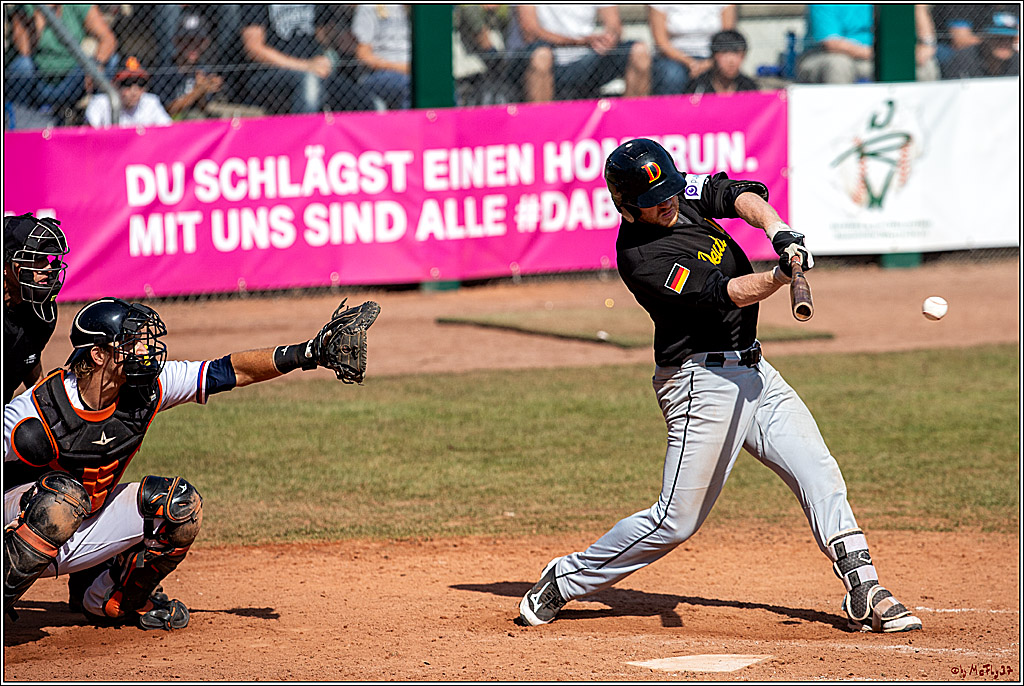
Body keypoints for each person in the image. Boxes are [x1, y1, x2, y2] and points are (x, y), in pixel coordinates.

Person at [518, 138, 923, 635]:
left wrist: (778, 230)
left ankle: (865, 587)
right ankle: (565, 578)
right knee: (675, 521)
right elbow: (725, 293)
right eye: (653, 201)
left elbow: (731, 195)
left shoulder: (674, 193)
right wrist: (779, 276)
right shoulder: (642, 258)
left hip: (754, 370)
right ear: (626, 206)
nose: (668, 203)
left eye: (670, 192)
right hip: (700, 383)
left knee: (818, 470)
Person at [4, 297, 380, 629]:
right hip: (21, 528)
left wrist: (308, 353)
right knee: (63, 499)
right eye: (130, 344)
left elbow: (227, 371)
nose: (144, 351)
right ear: (99, 354)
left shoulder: (147, 389)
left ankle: (109, 598)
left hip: (86, 525)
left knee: (179, 505)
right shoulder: (36, 410)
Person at [517, 5, 650, 102]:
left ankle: (632, 124)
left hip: (589, 59)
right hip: (550, 59)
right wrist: (579, 41)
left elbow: (614, 26)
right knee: (541, 56)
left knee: (639, 51)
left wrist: (609, 39)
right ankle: (541, 126)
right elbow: (530, 32)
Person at [5, 4, 119, 116]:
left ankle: (97, 118)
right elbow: (24, 50)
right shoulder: (25, 7)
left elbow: (108, 39)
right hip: (38, 83)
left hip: (71, 81)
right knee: (22, 66)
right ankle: (18, 119)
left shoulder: (78, 5)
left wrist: (95, 65)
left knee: (111, 61)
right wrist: (42, 13)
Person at [3, 213, 69, 404]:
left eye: (46, 258)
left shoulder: (40, 311)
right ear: (5, 267)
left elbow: (25, 354)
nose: (47, 268)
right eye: (35, 259)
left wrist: (44, 402)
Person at [797, 4, 940, 84]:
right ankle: (841, 121)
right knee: (838, 64)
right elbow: (832, 43)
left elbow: (924, 36)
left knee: (926, 66)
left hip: (877, 56)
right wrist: (882, 54)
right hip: (826, 56)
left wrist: (926, 46)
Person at [240, 4, 336, 114]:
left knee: (348, 91)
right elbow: (253, 49)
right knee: (309, 81)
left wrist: (324, 58)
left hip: (313, 69)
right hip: (268, 74)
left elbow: (325, 35)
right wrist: (305, 66)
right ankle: (304, 125)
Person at [648, 4, 736, 95]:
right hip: (672, 57)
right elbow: (660, 41)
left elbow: (727, 37)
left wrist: (709, 63)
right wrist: (691, 63)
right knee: (672, 75)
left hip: (712, 57)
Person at [153, 11, 226, 119]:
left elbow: (204, 108)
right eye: (187, 40)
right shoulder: (165, 70)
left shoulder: (203, 70)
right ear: (177, 41)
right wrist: (197, 91)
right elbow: (167, 110)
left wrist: (205, 90)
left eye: (198, 41)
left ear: (205, 43)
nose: (193, 46)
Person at [84, 56, 172, 128]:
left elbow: (169, 130)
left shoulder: (151, 102)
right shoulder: (100, 103)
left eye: (141, 84)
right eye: (128, 83)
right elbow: (89, 134)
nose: (134, 91)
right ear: (115, 85)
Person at [943, 11, 1019, 78]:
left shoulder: (1018, 62)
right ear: (984, 38)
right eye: (997, 38)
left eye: (1010, 38)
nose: (1004, 43)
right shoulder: (963, 62)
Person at [682, 30, 759, 95]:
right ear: (714, 56)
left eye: (736, 53)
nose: (731, 61)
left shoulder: (749, 88)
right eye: (724, 53)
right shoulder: (699, 87)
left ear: (743, 56)